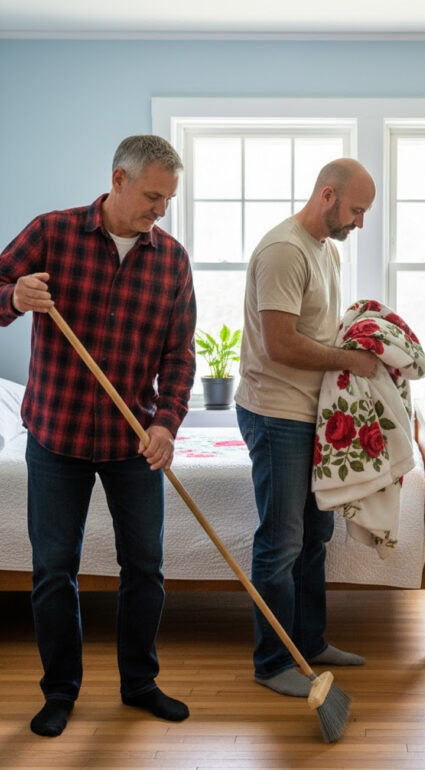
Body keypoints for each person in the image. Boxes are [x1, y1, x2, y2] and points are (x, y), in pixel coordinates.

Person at [0, 135, 196, 736]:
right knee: (54, 568)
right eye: (152, 196)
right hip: (55, 436)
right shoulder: (51, 233)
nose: (159, 210)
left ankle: (139, 683)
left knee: (146, 566)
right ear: (118, 179)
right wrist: (13, 295)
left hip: (133, 440)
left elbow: (180, 355)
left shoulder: (171, 260)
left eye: (168, 201)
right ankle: (60, 691)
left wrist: (166, 423)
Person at [236, 158, 378, 697]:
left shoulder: (328, 250)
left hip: (309, 413)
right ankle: (273, 662)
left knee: (315, 534)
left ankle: (310, 642)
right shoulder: (284, 251)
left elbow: (319, 327)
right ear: (327, 195)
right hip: (276, 412)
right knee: (281, 541)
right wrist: (348, 361)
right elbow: (282, 344)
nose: (360, 221)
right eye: (356, 209)